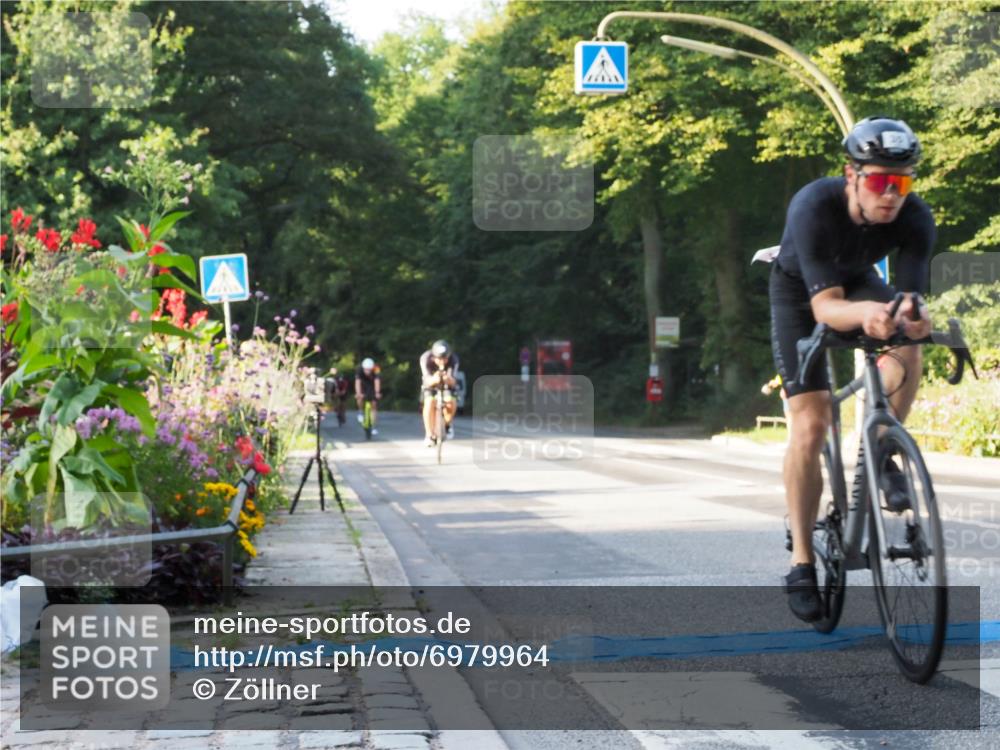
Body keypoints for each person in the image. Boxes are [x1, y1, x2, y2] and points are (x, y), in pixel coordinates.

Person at [769, 116, 934, 622]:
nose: (891, 195)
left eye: (901, 183)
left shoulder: (915, 219)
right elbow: (826, 310)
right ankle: (801, 562)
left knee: (909, 344)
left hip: (859, 282)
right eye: (880, 181)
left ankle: (881, 446)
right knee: (812, 424)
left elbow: (909, 299)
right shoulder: (813, 206)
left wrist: (914, 318)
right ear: (852, 175)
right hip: (801, 294)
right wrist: (869, 315)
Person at [419, 340, 459, 447]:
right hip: (431, 384)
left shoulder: (453, 359)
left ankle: (446, 424)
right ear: (433, 357)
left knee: (451, 401)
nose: (442, 361)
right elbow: (427, 380)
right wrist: (435, 379)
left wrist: (447, 379)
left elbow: (453, 381)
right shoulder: (425, 358)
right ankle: (429, 434)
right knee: (429, 403)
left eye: (445, 358)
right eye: (439, 359)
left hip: (447, 384)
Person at [355, 358, 381, 436]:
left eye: (369, 370)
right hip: (363, 385)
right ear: (363, 368)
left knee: (374, 406)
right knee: (359, 397)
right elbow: (357, 383)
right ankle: (360, 411)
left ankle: (374, 427)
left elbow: (377, 381)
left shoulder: (376, 369)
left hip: (372, 385)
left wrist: (377, 393)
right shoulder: (359, 369)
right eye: (366, 370)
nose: (368, 371)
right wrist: (358, 393)